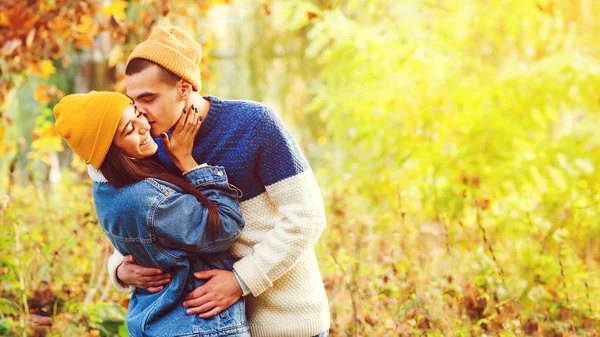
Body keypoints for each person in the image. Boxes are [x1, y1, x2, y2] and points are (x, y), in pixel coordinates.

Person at [102, 26, 330, 336]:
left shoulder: (254, 125)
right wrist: (120, 267)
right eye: (133, 101)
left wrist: (241, 280)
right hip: (209, 326)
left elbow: (307, 218)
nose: (140, 113)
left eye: (149, 98)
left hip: (284, 323)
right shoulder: (151, 147)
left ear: (184, 89)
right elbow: (143, 222)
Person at [54, 91, 250, 337]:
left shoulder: (105, 188)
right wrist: (190, 164)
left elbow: (144, 241)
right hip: (196, 324)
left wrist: (119, 270)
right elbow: (226, 227)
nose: (145, 127)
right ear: (109, 151)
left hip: (159, 321)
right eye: (129, 130)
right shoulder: (148, 199)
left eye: (138, 115)